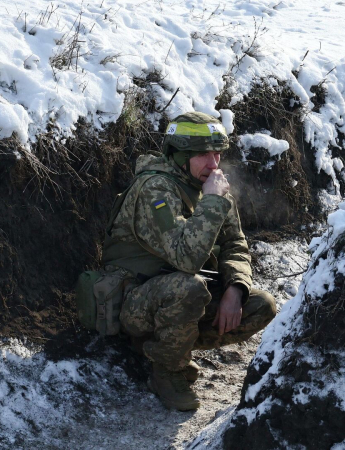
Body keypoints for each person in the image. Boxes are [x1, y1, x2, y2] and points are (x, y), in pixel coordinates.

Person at [101, 111, 277, 411]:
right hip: (134, 301)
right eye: (203, 155)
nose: (214, 163)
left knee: (262, 305)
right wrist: (213, 201)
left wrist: (235, 288)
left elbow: (235, 245)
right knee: (189, 287)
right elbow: (186, 258)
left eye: (217, 154)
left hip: (179, 295)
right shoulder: (155, 189)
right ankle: (167, 371)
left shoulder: (211, 187)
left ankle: (169, 349)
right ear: (180, 156)